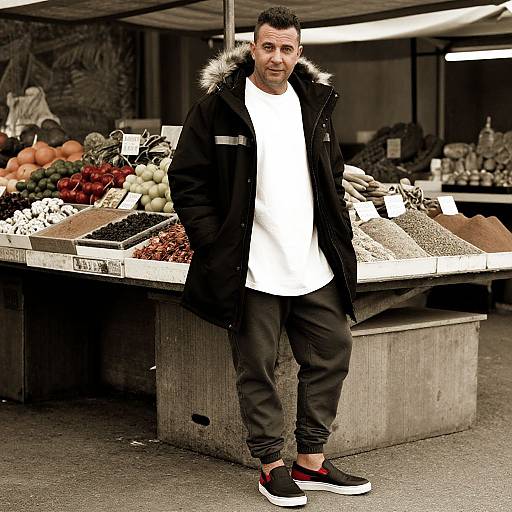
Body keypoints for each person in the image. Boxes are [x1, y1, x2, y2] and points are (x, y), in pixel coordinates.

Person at [169, 6, 371, 508]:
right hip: (252, 265)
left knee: (331, 353)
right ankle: (270, 466)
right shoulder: (221, 107)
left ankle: (311, 460)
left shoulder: (316, 103)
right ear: (251, 49)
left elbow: (331, 172)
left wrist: (338, 228)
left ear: (298, 52)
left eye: (286, 48)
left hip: (312, 261)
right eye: (267, 47)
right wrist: (214, 242)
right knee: (256, 365)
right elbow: (186, 179)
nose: (276, 57)